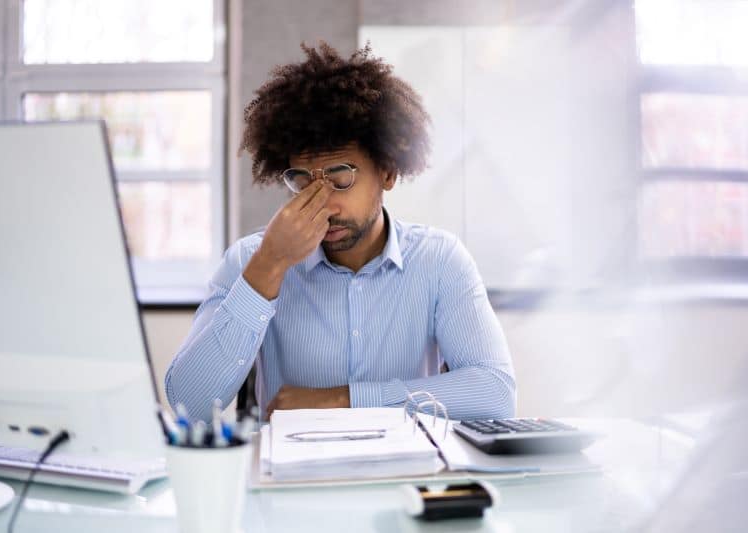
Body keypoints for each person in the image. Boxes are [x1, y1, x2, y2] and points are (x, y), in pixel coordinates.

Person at [165, 42, 515, 422]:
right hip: (292, 463)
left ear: (387, 173)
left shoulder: (440, 261)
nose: (323, 204)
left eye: (341, 178)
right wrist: (270, 264)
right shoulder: (251, 259)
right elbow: (189, 405)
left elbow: (495, 394)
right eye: (303, 181)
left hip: (407, 460)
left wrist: (344, 400)